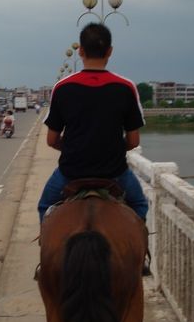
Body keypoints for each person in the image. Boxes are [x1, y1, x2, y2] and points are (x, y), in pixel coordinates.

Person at [37, 22, 149, 223]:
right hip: (115, 173)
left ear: (80, 51)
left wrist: (74, 148)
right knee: (140, 204)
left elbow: (52, 140)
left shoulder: (62, 88)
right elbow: (133, 141)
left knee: (45, 207)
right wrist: (110, 149)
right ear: (110, 51)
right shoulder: (126, 87)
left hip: (71, 172)